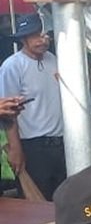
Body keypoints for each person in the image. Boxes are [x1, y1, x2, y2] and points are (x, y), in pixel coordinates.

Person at [0, 13, 65, 199]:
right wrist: (15, 148)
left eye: (44, 35)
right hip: (33, 145)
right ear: (23, 39)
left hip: (60, 142)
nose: (42, 40)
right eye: (35, 36)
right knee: (37, 203)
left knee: (63, 198)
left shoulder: (54, 60)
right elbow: (8, 113)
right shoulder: (12, 66)